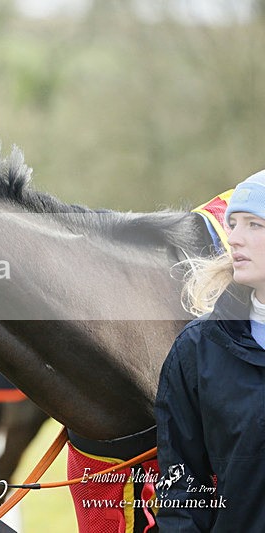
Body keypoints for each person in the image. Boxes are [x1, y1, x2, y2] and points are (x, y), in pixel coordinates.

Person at [155, 169, 265, 530]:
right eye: (232, 224)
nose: (233, 238)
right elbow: (183, 494)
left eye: (254, 224)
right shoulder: (197, 349)